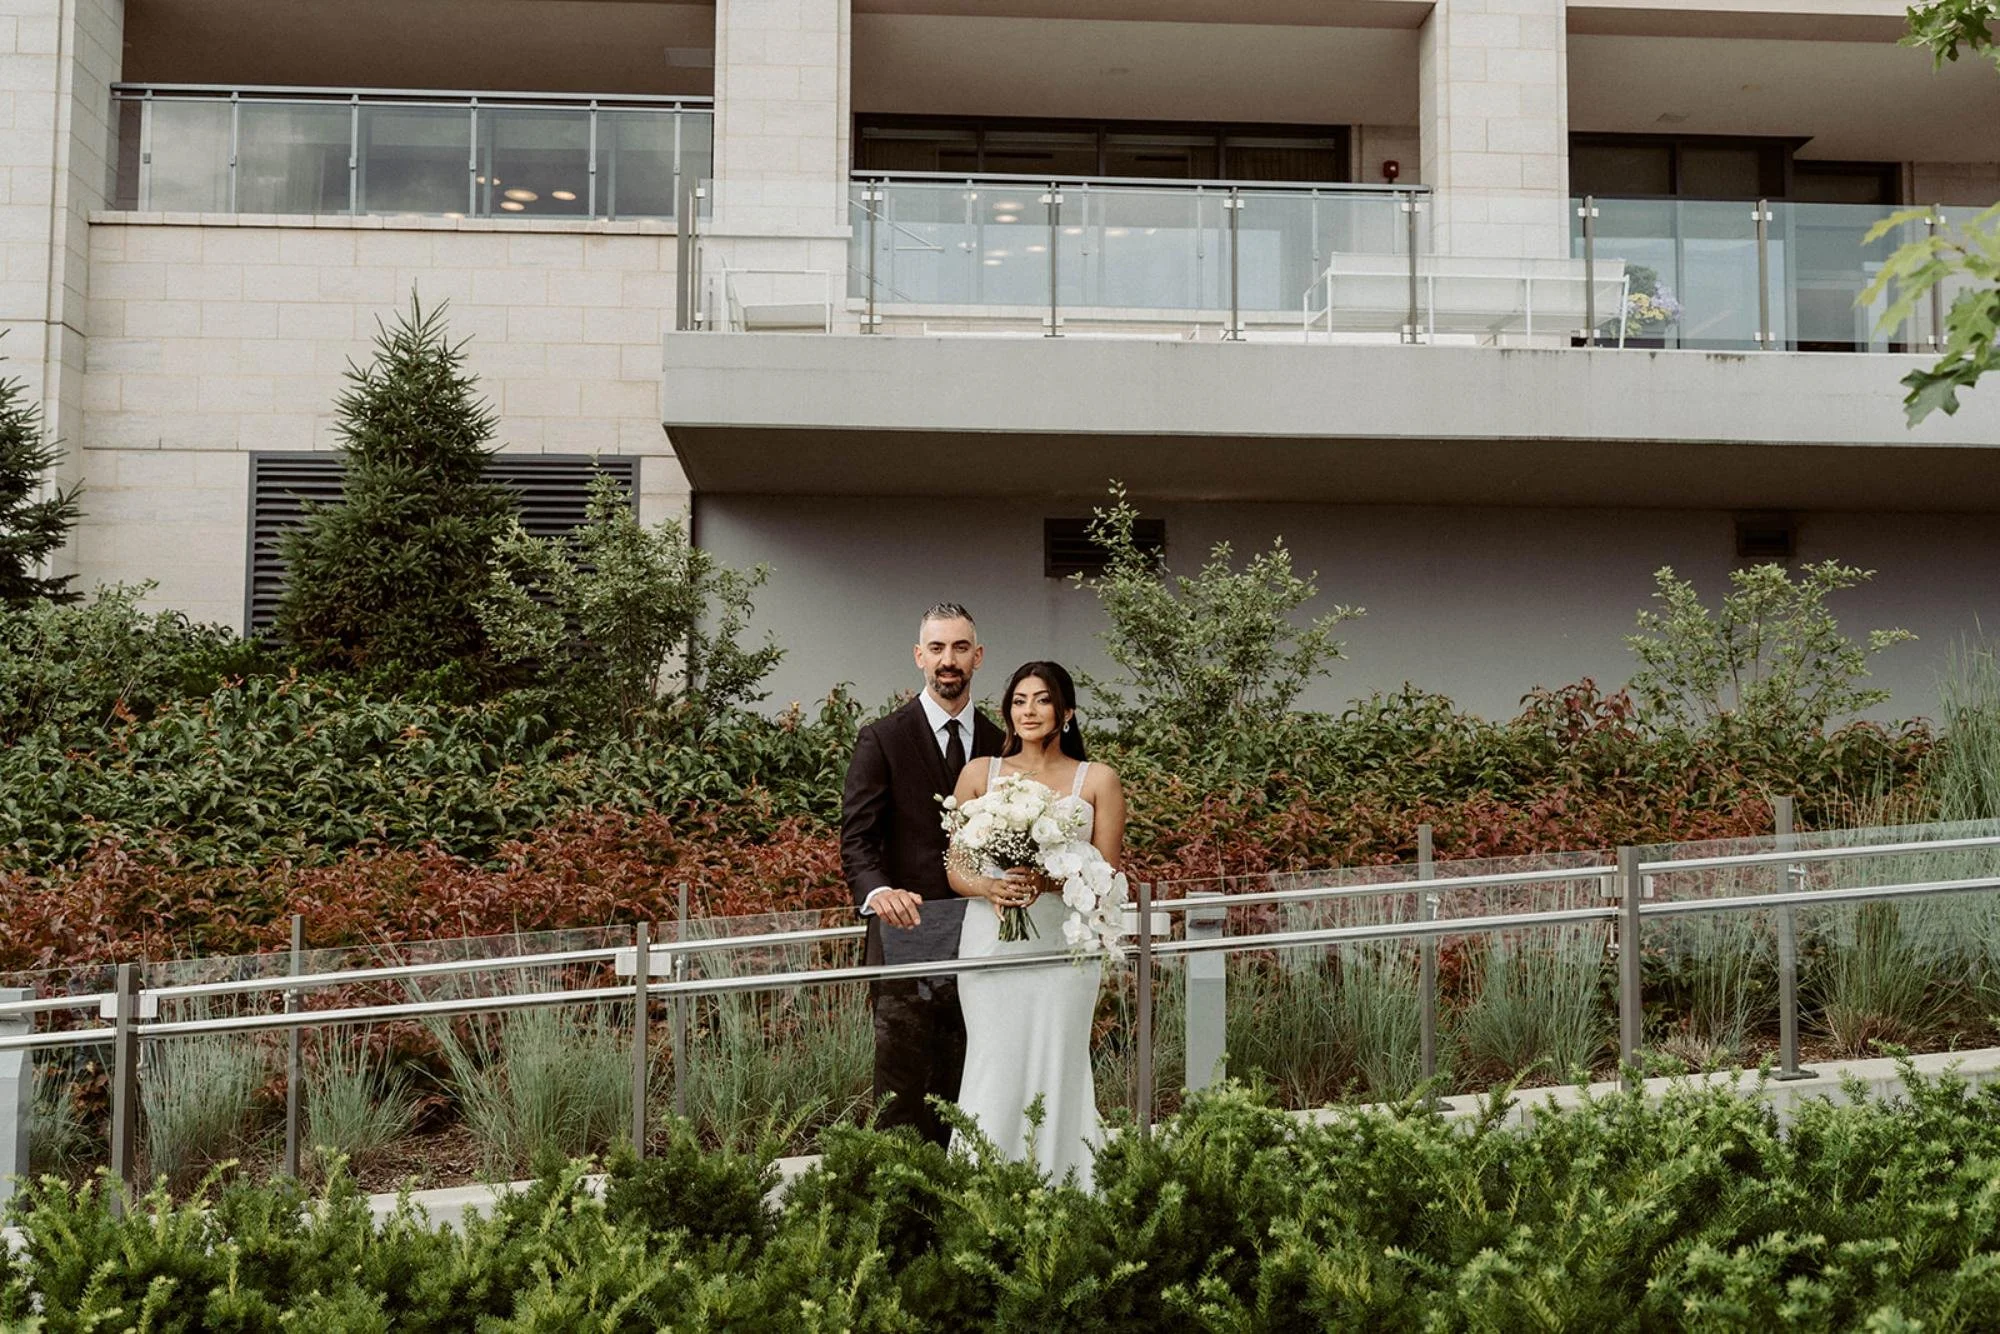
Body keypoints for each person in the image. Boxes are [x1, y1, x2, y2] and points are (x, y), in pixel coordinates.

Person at [947, 659, 1126, 1188]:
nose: (1029, 710)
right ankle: (980, 1191)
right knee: (992, 1063)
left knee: (1057, 1062)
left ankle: (1066, 1187)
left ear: (1066, 711)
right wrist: (991, 887)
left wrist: (1043, 882)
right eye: (1019, 701)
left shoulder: (1098, 780)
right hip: (989, 946)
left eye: (1042, 699)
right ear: (1007, 712)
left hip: (1064, 946)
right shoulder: (980, 773)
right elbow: (957, 866)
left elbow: (1106, 872)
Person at [841, 603, 1005, 1147]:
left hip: (982, 933)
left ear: (977, 657)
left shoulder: (1001, 743)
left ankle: (967, 1204)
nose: (948, 660)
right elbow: (857, 839)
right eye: (937, 648)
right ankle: (900, 1208)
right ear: (919, 656)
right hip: (904, 933)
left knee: (976, 1072)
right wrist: (878, 891)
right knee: (902, 1085)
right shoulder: (881, 738)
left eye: (959, 648)